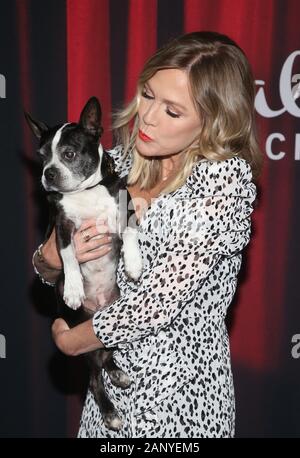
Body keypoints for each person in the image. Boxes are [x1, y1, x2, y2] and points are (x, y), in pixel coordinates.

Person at [32, 31, 263, 438]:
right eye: (148, 95)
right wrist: (51, 259)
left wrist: (73, 343)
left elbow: (158, 301)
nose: (149, 116)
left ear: (213, 121)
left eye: (172, 111)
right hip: (109, 392)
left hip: (180, 399)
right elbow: (51, 263)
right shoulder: (120, 161)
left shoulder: (224, 181)